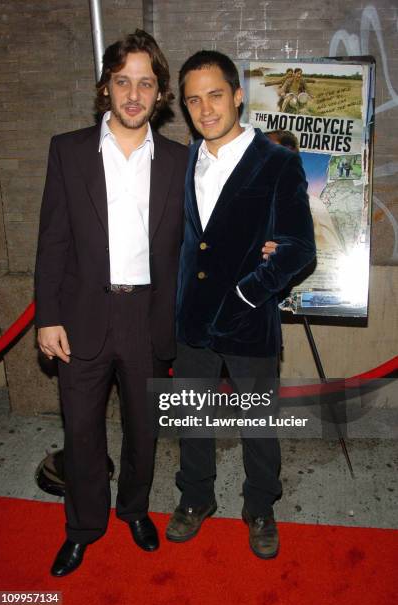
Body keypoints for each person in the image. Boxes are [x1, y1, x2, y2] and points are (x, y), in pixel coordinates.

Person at [34, 29, 188, 576]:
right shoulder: (68, 150)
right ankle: (83, 527)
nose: (133, 94)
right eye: (122, 81)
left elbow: (203, 237)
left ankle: (134, 510)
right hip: (81, 317)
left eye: (145, 83)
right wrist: (47, 316)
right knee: (80, 431)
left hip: (148, 316)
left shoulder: (178, 160)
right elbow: (52, 240)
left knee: (144, 430)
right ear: (105, 87)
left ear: (160, 94)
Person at [166, 50, 316, 559]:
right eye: (193, 100)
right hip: (192, 323)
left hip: (249, 321)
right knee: (193, 419)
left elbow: (299, 247)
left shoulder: (278, 163)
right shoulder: (185, 159)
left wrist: (249, 293)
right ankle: (196, 497)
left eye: (214, 95)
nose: (205, 109)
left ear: (235, 96)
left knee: (258, 425)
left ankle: (259, 506)